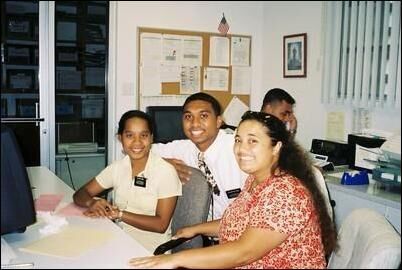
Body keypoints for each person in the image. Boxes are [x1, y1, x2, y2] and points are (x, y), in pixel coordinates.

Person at [129, 111, 337, 269]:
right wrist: (197, 228)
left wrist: (175, 259)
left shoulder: (285, 193)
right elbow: (240, 222)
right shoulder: (256, 180)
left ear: (276, 148)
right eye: (238, 140)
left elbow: (244, 252)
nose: (241, 148)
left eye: (252, 141)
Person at [73, 110, 182, 252]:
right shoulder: (118, 168)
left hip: (150, 250)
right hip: (117, 240)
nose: (137, 142)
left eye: (143, 135)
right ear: (120, 138)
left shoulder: (165, 172)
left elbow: (160, 225)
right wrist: (92, 202)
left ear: (151, 138)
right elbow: (81, 193)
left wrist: (120, 214)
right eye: (129, 135)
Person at [151, 92, 247, 222]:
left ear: (218, 121)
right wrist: (164, 164)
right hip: (204, 234)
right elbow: (135, 150)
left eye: (203, 116)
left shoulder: (238, 148)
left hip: (241, 231)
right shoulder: (183, 148)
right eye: (188, 117)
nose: (195, 123)